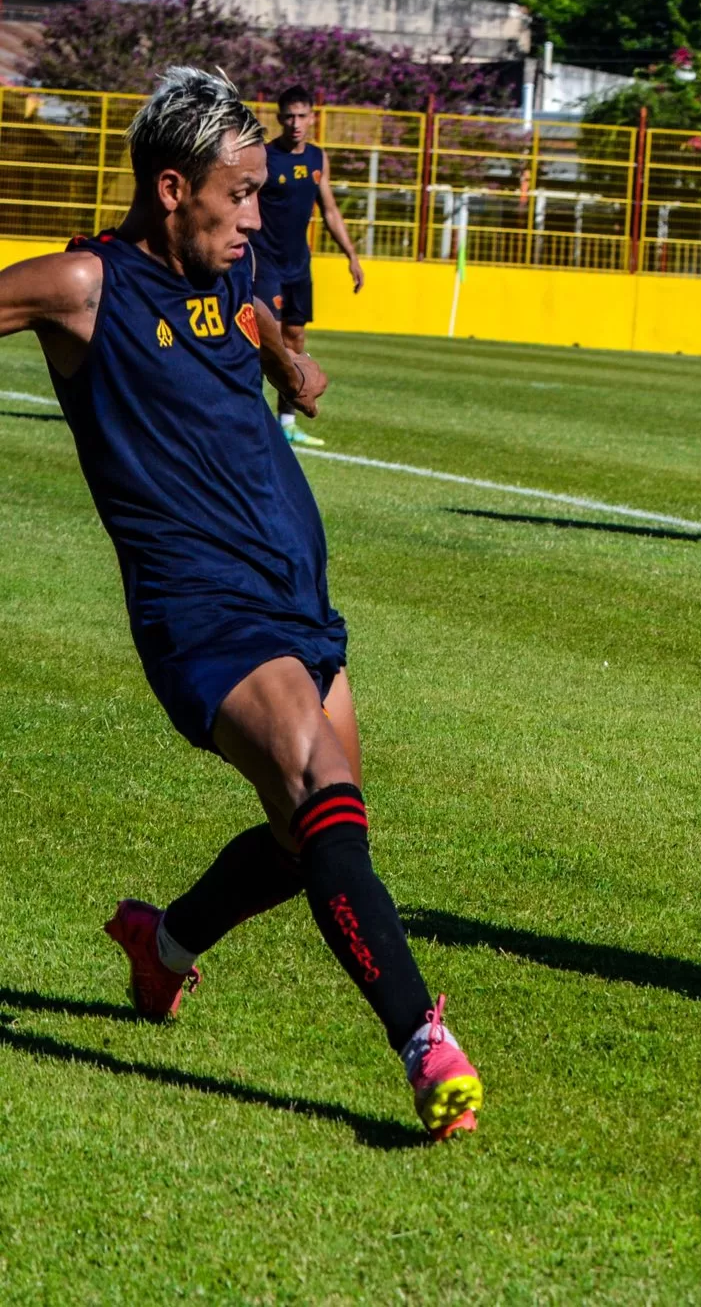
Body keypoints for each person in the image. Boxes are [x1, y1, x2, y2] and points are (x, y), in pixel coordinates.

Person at [0, 68, 481, 1138]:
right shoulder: (86, 286)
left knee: (305, 829)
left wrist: (286, 363)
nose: (260, 215)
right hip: (203, 613)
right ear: (173, 189)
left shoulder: (228, 270)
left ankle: (162, 944)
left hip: (297, 597)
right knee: (323, 797)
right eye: (242, 193)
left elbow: (248, 313)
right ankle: (422, 1042)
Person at [247, 84, 365, 448]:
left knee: (296, 338)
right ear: (279, 118)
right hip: (265, 262)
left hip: (299, 264)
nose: (295, 123)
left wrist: (351, 255)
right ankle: (249, 417)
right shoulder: (264, 157)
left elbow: (329, 209)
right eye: (288, 117)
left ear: (312, 118)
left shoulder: (317, 158)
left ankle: (286, 422)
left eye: (302, 116)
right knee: (266, 338)